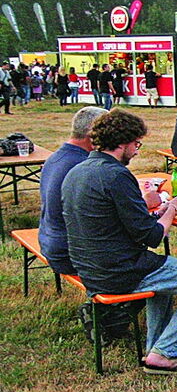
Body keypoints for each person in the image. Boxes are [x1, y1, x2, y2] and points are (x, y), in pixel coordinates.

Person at [61, 109, 177, 373]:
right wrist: (172, 209)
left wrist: (159, 212)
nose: (137, 151)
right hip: (118, 271)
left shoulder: (78, 171)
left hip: (89, 267)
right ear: (123, 143)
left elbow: (117, 223)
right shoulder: (116, 176)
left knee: (166, 278)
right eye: (136, 144)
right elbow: (151, 237)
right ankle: (167, 352)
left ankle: (156, 346)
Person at [39, 107, 108, 275]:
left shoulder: (57, 157)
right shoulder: (84, 167)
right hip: (70, 254)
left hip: (50, 242)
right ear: (94, 133)